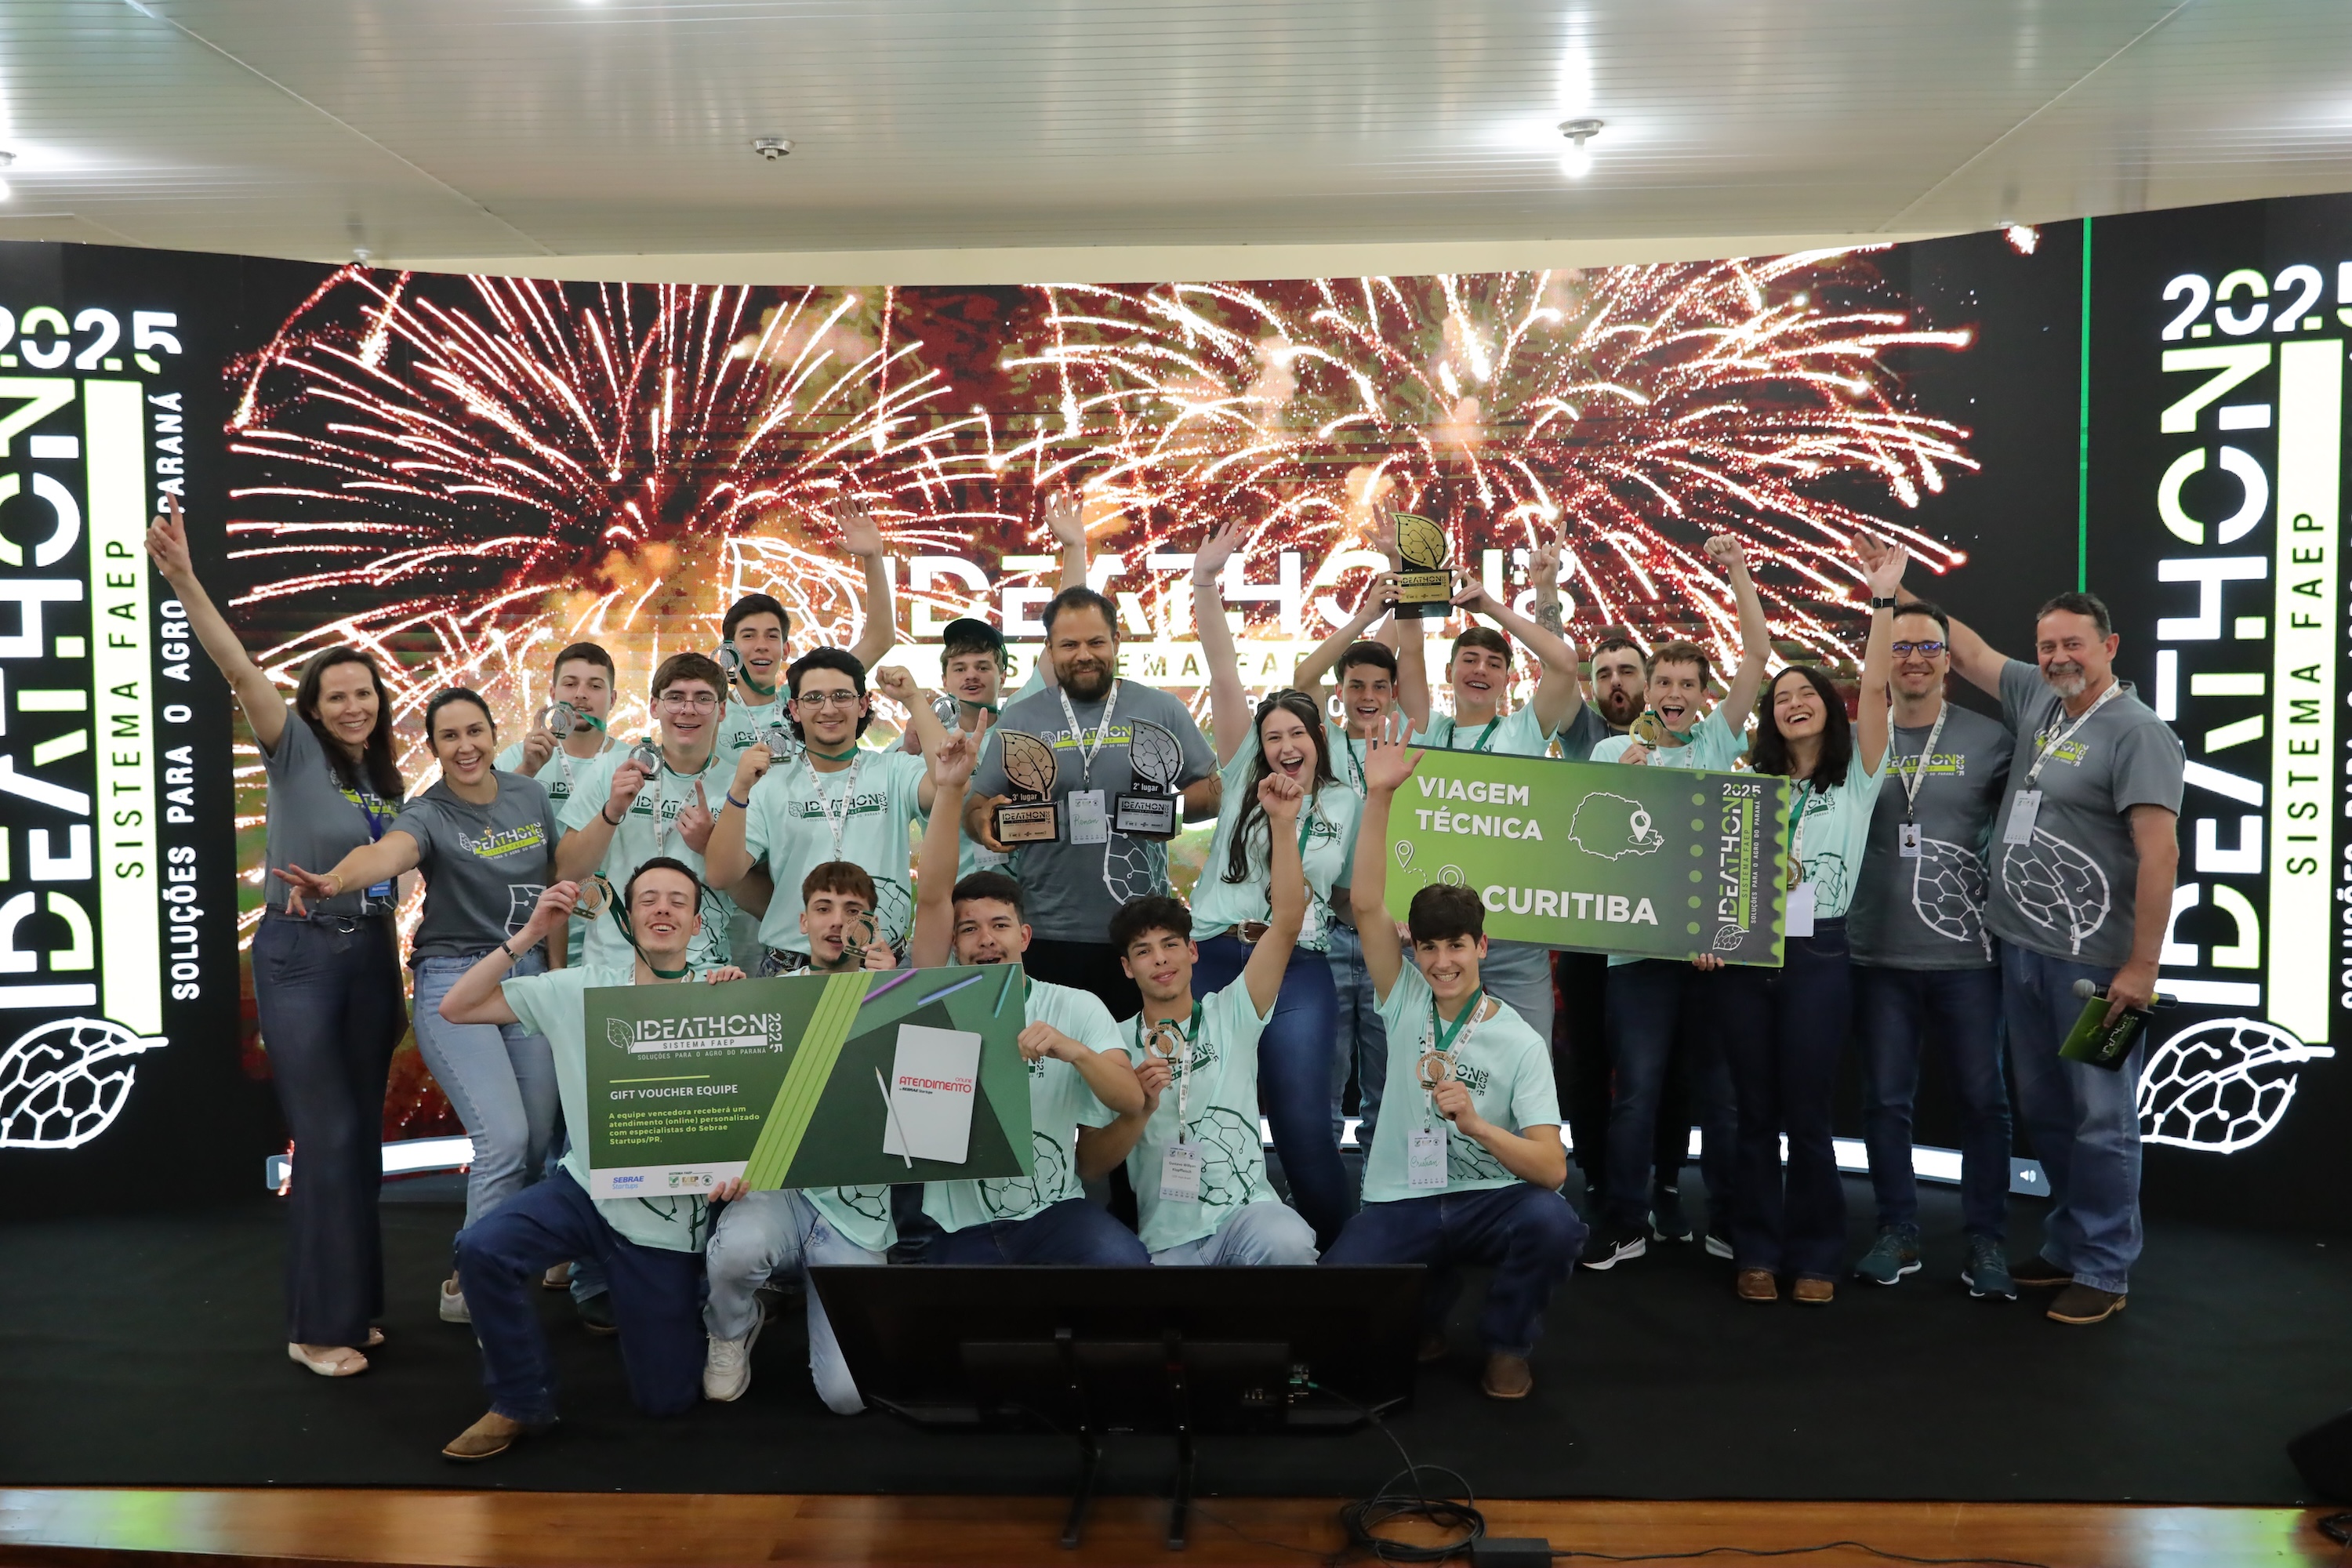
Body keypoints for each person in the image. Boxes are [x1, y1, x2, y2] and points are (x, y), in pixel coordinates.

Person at [146, 497, 407, 1381]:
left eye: (364, 692)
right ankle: (314, 1327)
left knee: (360, 1142)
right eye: (337, 695)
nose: (353, 705)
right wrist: (185, 580)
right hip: (302, 960)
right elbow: (236, 663)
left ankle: (353, 1307)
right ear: (314, 707)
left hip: (372, 959)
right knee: (325, 1138)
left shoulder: (385, 782)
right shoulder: (293, 749)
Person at [1906, 579, 2183, 1327]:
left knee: (2101, 1118)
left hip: (2098, 972)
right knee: (2049, 1112)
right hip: (2022, 953)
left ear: (2109, 647)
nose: (2059, 656)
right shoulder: (2039, 696)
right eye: (2047, 645)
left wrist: (2143, 967)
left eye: (2073, 644)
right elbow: (1965, 651)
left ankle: (2104, 1266)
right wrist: (1894, 587)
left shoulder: (2138, 732)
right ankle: (2068, 1244)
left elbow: (2160, 854)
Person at [275, 689, 564, 1327]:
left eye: (475, 732)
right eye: (449, 737)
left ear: (494, 734)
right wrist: (336, 880)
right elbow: (388, 854)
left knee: (537, 1142)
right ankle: (486, 1291)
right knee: (504, 1140)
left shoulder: (529, 794)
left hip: (526, 979)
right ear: (433, 748)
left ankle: (471, 1279)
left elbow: (557, 873)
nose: (465, 747)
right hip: (457, 983)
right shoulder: (428, 812)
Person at [434, 862, 741, 1461]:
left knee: (667, 1400)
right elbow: (456, 1007)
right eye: (648, 899)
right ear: (627, 919)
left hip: (664, 1223)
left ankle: (699, 1306)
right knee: (481, 1248)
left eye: (677, 901)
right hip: (585, 1189)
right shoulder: (579, 988)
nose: (662, 909)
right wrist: (529, 934)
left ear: (697, 924)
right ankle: (519, 1400)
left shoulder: (720, 995)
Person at [1322, 717, 1581, 1400]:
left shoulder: (1519, 1040)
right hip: (1404, 1197)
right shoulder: (1403, 997)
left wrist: (1478, 1128)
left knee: (1554, 1224)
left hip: (1488, 1201)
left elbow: (1552, 1169)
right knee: (1337, 1294)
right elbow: (1368, 903)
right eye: (1429, 947)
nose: (1442, 962)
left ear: (1481, 948)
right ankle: (1427, 1317)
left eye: (1457, 946)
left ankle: (1507, 1343)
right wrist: (1380, 796)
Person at [1715, 535, 1901, 1307]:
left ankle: (1818, 1252)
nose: (1792, 701)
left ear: (1830, 705)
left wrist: (1881, 600)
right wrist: (1712, 938)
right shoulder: (1749, 782)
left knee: (1809, 1114)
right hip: (1746, 955)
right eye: (1781, 696)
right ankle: (1757, 1249)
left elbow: (1878, 688)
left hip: (1819, 953)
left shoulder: (1856, 778)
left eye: (1807, 692)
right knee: (1754, 1114)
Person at [1580, 537, 1769, 1271]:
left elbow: (1757, 656)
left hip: (1713, 954)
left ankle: (1725, 1220)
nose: (1675, 693)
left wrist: (1738, 572)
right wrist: (1620, 784)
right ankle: (1623, 1222)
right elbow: (1587, 847)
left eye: (1689, 683)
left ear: (1702, 693)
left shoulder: (1718, 742)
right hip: (1635, 956)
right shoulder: (1609, 754)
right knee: (1637, 1094)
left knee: (1719, 1096)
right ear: (1649, 688)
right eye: (1664, 680)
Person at [1183, 521, 1365, 1244]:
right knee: (1194, 1108)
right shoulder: (1240, 779)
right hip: (1214, 954)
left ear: (1318, 740)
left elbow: (1345, 894)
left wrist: (1394, 921)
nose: (1286, 746)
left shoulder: (1346, 802)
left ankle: (1342, 1263)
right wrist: (1205, 581)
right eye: (1273, 737)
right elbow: (1224, 670)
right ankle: (1191, 1244)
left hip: (1297, 963)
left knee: (1303, 1125)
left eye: (1298, 734)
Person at [907, 746, 1152, 1264]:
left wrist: (1073, 1051)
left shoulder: (1076, 1007)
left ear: (1024, 936)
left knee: (1124, 1263)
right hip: (958, 1227)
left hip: (1055, 1214)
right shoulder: (935, 1001)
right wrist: (951, 790)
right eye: (969, 930)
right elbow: (931, 896)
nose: (985, 940)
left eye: (999, 926)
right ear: (954, 945)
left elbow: (1132, 1100)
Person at [1846, 600, 2018, 1298]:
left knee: (1984, 1103)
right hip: (1877, 955)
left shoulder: (1992, 740)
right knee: (1886, 1103)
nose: (1914, 658)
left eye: (1928, 647)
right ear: (1883, 659)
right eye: (1901, 647)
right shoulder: (1858, 737)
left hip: (1969, 958)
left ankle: (1987, 1240)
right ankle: (1898, 1230)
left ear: (1949, 660)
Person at [700, 856, 913, 1412]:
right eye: (824, 909)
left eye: (852, 911)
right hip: (776, 1192)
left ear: (872, 925)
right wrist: (718, 1005)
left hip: (856, 1207)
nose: (837, 921)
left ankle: (831, 1297)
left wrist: (895, 997)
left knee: (848, 1397)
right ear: (803, 922)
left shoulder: (898, 995)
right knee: (737, 1253)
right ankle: (731, 1327)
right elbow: (726, 1098)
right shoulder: (767, 997)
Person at [1087, 779, 1320, 1266]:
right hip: (1166, 1238)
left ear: (1193, 951)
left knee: (1290, 1243)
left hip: (1245, 1217)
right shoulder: (1112, 1044)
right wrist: (1139, 1110)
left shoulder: (1232, 1010)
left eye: (1171, 945)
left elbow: (1287, 922)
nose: (1160, 960)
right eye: (1143, 952)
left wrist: (1282, 823)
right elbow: (1088, 1164)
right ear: (1127, 968)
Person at [963, 586, 1220, 1018]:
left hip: (1140, 935)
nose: (1084, 655)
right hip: (1047, 929)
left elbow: (1212, 791)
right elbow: (976, 806)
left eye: (1096, 642)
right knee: (1052, 1055)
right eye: (1069, 645)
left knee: (1140, 1057)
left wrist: (1165, 812)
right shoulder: (1022, 717)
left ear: (1116, 642)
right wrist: (986, 824)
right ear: (1049, 650)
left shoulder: (1161, 709)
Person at [1396, 536, 1587, 1044]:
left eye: (1493, 663)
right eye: (1470, 659)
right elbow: (1409, 650)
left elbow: (1564, 664)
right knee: (1431, 1064)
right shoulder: (1427, 731)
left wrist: (1491, 607)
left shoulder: (1523, 731)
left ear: (1506, 679)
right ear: (1450, 672)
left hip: (1513, 938)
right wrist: (1403, 567)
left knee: (1528, 1062)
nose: (1480, 669)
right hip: (1436, 938)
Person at [1294, 562, 1426, 1155]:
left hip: (1386, 931)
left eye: (1379, 687)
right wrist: (1367, 615)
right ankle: (1319, 1194)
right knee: (1322, 1074)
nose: (1367, 697)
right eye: (1356, 686)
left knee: (1389, 1074)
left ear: (1393, 694)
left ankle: (1381, 1189)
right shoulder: (1318, 742)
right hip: (1323, 930)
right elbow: (1304, 674)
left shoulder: (1406, 744)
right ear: (1341, 692)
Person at [703, 649, 946, 971]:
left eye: (842, 696)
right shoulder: (769, 783)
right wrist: (739, 790)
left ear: (863, 705)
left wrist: (914, 699)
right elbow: (721, 875)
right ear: (795, 709)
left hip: (880, 964)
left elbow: (949, 782)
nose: (828, 709)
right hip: (792, 970)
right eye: (814, 698)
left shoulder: (894, 770)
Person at [552, 652, 739, 975]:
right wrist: (613, 811)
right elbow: (567, 871)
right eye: (675, 698)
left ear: (721, 710)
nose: (688, 709)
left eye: (703, 699)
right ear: (654, 706)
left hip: (703, 968)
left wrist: (712, 846)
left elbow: (756, 892)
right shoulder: (612, 768)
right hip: (613, 965)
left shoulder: (740, 786)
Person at [1548, 633, 1649, 1213]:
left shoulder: (1677, 737)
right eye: (1604, 673)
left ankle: (1657, 1182)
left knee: (1652, 1065)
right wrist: (1546, 592)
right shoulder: (1581, 731)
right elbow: (1555, 665)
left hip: (1653, 931)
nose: (1616, 682)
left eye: (1627, 671)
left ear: (1646, 680)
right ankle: (1593, 1172)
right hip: (1588, 930)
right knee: (1587, 1058)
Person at [710, 496, 901, 765]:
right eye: (749, 635)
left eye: (772, 636)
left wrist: (873, 557)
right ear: (728, 652)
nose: (762, 645)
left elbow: (880, 639)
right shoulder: (708, 713)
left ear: (786, 650)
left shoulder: (808, 700)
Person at [496, 642, 619, 967]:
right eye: (570, 684)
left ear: (613, 699)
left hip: (610, 933)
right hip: (528, 929)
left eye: (595, 686)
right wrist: (527, 771)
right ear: (553, 693)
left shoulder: (630, 763)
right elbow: (482, 831)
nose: (581, 695)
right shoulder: (517, 757)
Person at [908, 616, 1047, 877]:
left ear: (1003, 676)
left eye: (983, 667)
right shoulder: (925, 736)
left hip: (1021, 892)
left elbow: (1056, 648)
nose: (971, 675)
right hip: (954, 892)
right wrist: (907, 746)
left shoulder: (1019, 718)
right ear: (944, 680)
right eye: (959, 669)